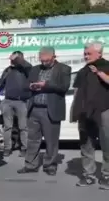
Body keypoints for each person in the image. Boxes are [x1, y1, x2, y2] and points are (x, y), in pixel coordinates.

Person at [18, 46, 71, 176]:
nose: (43, 63)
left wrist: (45, 85)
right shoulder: (35, 69)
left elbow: (63, 87)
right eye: (42, 60)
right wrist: (31, 86)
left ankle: (50, 165)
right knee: (32, 139)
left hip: (50, 109)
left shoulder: (64, 69)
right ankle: (30, 165)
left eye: (46, 61)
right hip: (34, 108)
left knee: (51, 140)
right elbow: (25, 85)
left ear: (54, 57)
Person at [71, 42, 109, 189]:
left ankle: (106, 176)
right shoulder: (82, 71)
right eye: (85, 53)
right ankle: (89, 175)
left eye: (89, 53)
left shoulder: (106, 66)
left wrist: (100, 74)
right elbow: (76, 91)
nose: (86, 56)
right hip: (85, 112)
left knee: (107, 144)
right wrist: (74, 111)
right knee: (86, 144)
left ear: (99, 54)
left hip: (104, 110)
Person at [0, 50, 32, 157]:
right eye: (12, 59)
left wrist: (18, 59)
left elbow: (28, 67)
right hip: (8, 101)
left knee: (23, 127)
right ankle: (7, 148)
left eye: (15, 59)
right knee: (7, 127)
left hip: (21, 101)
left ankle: (24, 148)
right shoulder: (8, 70)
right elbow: (0, 84)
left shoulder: (25, 70)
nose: (12, 61)